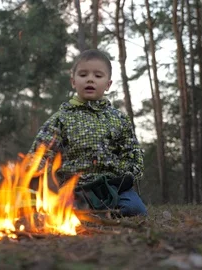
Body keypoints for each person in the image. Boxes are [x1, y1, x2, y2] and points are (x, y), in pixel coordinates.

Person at [29, 49, 147, 217]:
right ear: (73, 82)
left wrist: (125, 174)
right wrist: (29, 175)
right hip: (76, 187)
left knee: (135, 209)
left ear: (108, 85)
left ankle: (105, 214)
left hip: (112, 186)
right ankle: (82, 214)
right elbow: (41, 152)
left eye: (98, 76)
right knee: (63, 211)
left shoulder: (119, 119)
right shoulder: (61, 119)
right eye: (83, 75)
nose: (90, 79)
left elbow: (132, 152)